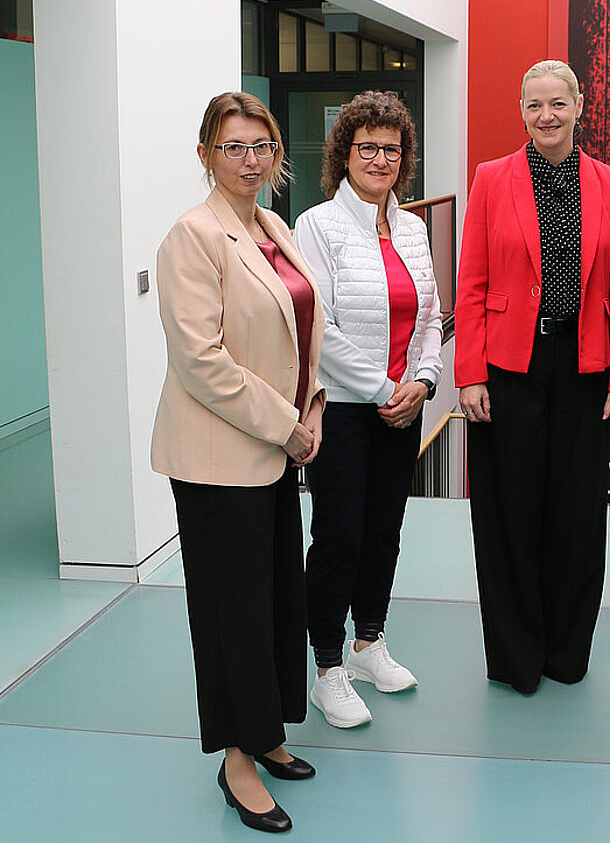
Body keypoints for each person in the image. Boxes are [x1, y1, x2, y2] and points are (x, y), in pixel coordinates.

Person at [151, 92, 325, 834]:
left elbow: (301, 321)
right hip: (222, 458)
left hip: (276, 450)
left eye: (261, 145)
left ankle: (267, 732)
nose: (250, 160)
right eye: (233, 147)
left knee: (278, 597)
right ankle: (236, 761)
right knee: (232, 615)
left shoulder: (271, 226)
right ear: (205, 156)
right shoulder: (192, 237)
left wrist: (311, 405)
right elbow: (201, 361)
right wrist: (288, 426)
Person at [454, 59, 610, 694]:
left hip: (584, 367)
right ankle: (515, 656)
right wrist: (469, 372)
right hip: (508, 365)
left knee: (577, 515)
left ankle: (566, 652)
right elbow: (471, 280)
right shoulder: (490, 178)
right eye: (535, 105)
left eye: (558, 103)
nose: (547, 116)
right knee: (508, 513)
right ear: (521, 110)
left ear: (579, 105)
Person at [294, 91, 443, 728]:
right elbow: (319, 328)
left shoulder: (411, 226)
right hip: (347, 410)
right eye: (368, 148)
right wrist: (387, 390)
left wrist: (425, 383)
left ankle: (368, 644)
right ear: (344, 154)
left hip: (404, 409)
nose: (380, 159)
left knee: (384, 529)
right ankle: (327, 666)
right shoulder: (316, 225)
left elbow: (432, 316)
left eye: (391, 149)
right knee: (338, 535)